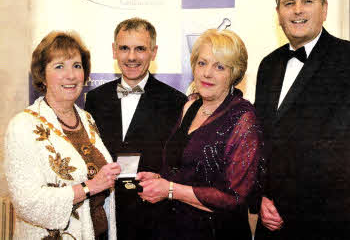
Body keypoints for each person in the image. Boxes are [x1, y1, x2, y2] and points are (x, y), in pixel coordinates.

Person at [137, 28, 264, 240]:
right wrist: (160, 179)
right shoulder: (191, 105)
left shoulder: (243, 118)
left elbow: (233, 197)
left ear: (234, 73)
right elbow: (184, 168)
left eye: (219, 66)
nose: (207, 73)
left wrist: (169, 189)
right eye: (202, 63)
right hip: (173, 227)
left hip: (216, 231)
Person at [254, 0, 350, 240]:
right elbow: (260, 140)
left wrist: (290, 206)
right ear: (278, 13)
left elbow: (339, 149)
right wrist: (260, 196)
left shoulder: (346, 59)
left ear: (325, 9)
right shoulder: (268, 65)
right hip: (269, 219)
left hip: (329, 221)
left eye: (307, 1)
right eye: (288, 3)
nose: (297, 10)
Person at [4, 31, 121, 240]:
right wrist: (89, 187)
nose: (71, 75)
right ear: (42, 75)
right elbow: (26, 203)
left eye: (77, 65)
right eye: (59, 66)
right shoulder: (23, 125)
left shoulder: (87, 119)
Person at [85, 17, 187, 240]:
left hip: (154, 217)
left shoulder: (176, 101)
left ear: (154, 52)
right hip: (106, 213)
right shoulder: (95, 99)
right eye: (124, 48)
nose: (131, 57)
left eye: (140, 49)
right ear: (114, 51)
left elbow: (180, 162)